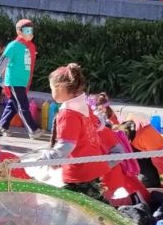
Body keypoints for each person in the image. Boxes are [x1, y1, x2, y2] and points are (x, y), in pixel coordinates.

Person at [40, 64, 110, 201]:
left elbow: (67, 145)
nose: (52, 92)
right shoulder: (84, 107)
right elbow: (99, 124)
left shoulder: (68, 114)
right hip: (93, 165)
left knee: (75, 209)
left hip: (79, 171)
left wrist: (50, 156)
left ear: (59, 87)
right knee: (93, 207)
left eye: (52, 89)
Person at [0, 19, 41, 138]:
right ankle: (33, 130)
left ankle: (2, 126)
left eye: (31, 30)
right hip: (14, 81)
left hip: (22, 81)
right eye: (27, 30)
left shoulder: (30, 46)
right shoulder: (13, 45)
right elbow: (3, 62)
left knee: (13, 105)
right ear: (19, 32)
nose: (30, 33)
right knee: (23, 106)